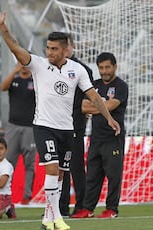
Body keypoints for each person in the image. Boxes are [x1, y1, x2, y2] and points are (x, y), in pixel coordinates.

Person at [0, 3, 120, 230]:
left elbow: (94, 96)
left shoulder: (77, 70)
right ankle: (55, 217)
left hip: (67, 129)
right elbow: (15, 48)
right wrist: (3, 29)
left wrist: (109, 118)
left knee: (60, 174)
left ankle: (50, 219)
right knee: (51, 169)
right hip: (44, 126)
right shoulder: (38, 65)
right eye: (47, 48)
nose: (49, 52)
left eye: (53, 49)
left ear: (64, 50)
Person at [71, 52, 128, 219]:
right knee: (92, 176)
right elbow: (82, 106)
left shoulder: (121, 86)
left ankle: (112, 209)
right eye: (101, 67)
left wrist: (96, 106)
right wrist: (100, 107)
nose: (104, 71)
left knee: (113, 176)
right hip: (95, 138)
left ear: (115, 66)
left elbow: (110, 105)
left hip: (113, 138)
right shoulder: (93, 85)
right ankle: (87, 209)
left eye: (107, 67)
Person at [59, 33, 94, 217]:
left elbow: (89, 100)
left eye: (65, 47)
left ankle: (81, 204)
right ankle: (61, 206)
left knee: (75, 167)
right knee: (59, 167)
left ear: (71, 47)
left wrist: (83, 114)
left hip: (74, 126)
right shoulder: (53, 69)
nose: (63, 51)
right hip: (56, 125)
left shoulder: (83, 69)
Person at [0, 62, 36, 205]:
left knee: (29, 163)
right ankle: (4, 193)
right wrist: (14, 71)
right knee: (8, 162)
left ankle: (27, 196)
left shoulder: (36, 81)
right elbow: (2, 87)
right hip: (13, 126)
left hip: (30, 127)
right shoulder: (13, 80)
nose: (24, 66)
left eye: (27, 63)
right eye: (21, 63)